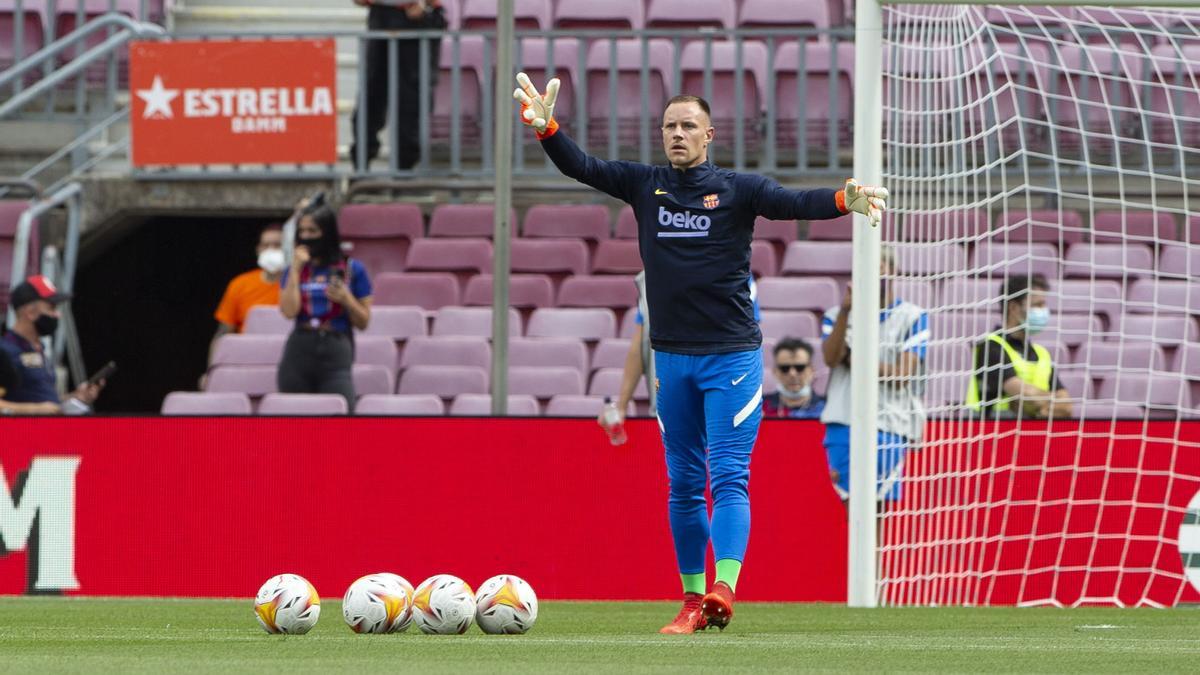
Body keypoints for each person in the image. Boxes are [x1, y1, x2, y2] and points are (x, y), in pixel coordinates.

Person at [515, 73, 888, 633]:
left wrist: (844, 199)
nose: (678, 134)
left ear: (709, 134)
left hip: (731, 357)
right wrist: (548, 130)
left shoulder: (738, 190)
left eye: (688, 126)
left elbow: (792, 203)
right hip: (671, 360)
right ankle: (693, 602)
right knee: (684, 483)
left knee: (730, 475)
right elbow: (583, 167)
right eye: (669, 126)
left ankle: (724, 588)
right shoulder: (644, 184)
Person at [820, 248, 927, 509]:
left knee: (877, 510)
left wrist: (855, 358)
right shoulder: (836, 315)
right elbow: (831, 359)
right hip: (843, 419)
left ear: (894, 272)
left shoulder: (913, 317)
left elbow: (903, 374)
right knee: (851, 507)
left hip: (889, 422)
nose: (871, 274)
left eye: (878, 268)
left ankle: (878, 553)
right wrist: (846, 311)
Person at [278, 202, 373, 411]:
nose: (306, 236)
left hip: (335, 344)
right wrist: (295, 269)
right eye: (302, 231)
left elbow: (364, 321)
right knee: (294, 416)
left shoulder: (352, 269)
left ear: (327, 232)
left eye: (313, 230)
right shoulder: (294, 269)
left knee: (341, 411)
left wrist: (346, 299)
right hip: (300, 346)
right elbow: (288, 311)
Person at [349, 0, 446, 170]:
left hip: (419, 19)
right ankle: (362, 169)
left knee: (411, 101)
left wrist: (424, 5)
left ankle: (405, 172)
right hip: (382, 16)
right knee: (372, 96)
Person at [967, 273, 1072, 419]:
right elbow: (1026, 395)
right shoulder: (990, 347)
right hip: (994, 433)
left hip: (1033, 435)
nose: (1044, 311)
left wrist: (1040, 408)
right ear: (1014, 308)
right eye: (1037, 305)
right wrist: (1051, 401)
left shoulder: (1041, 353)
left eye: (1044, 305)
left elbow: (1067, 405)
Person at [0, 275, 102, 413]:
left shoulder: (38, 349)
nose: (57, 315)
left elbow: (45, 402)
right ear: (30, 312)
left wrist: (75, 397)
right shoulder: (4, 351)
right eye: (52, 308)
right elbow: (39, 407)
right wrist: (35, 410)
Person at [209, 224, 284, 351]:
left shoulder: (299, 283)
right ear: (258, 250)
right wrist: (213, 370)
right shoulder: (239, 284)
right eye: (266, 245)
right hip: (248, 357)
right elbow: (223, 334)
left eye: (277, 245)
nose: (271, 250)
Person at [762, 337, 826, 419]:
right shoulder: (759, 408)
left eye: (800, 368)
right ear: (775, 372)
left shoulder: (827, 408)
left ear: (812, 370)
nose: (792, 374)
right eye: (784, 368)